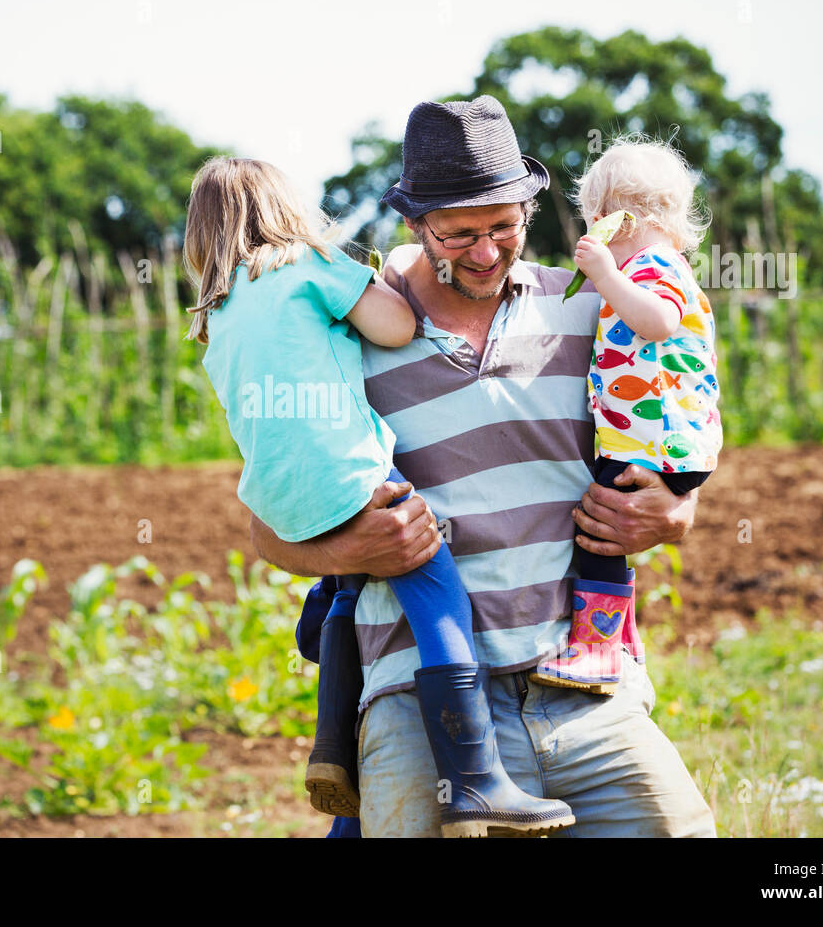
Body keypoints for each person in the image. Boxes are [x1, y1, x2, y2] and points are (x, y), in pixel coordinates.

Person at [252, 96, 717, 837]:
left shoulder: (589, 309)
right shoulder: (355, 341)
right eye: (457, 233)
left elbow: (674, 416)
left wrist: (677, 511)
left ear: (531, 209)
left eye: (504, 226)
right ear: (413, 225)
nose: (484, 251)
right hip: (419, 698)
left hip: (584, 685)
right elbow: (265, 529)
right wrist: (350, 550)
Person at [183, 155, 575, 837]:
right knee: (436, 594)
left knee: (345, 585)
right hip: (351, 476)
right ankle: (477, 778)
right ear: (286, 211)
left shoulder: (216, 312)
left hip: (282, 495)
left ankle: (334, 747)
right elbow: (394, 327)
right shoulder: (309, 265)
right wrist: (372, 282)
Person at [531, 136, 722, 694]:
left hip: (655, 444)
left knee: (599, 538)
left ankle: (597, 650)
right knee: (607, 540)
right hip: (661, 441)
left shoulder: (657, 268)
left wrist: (608, 276)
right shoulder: (654, 266)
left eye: (595, 217)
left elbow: (658, 323)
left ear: (621, 219)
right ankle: (624, 637)